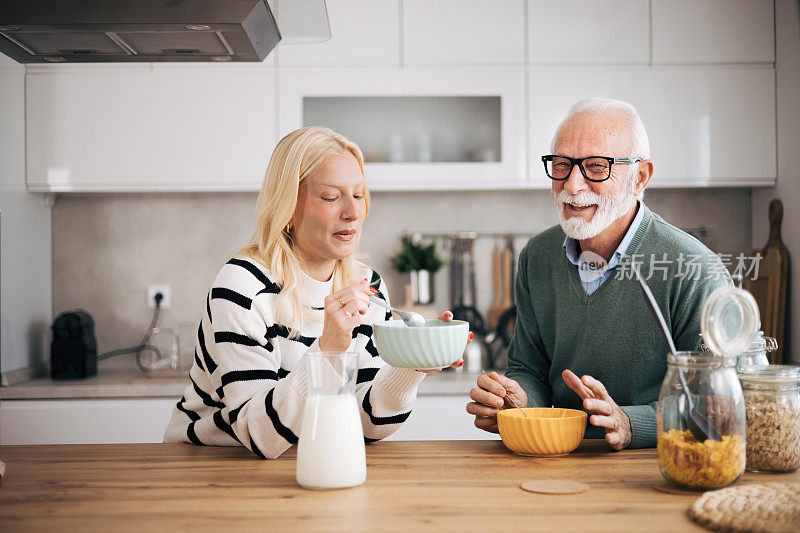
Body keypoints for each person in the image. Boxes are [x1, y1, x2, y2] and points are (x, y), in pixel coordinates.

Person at [165, 126, 462, 458]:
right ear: (289, 207)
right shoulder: (242, 286)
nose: (352, 212)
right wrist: (328, 350)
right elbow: (258, 434)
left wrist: (413, 363)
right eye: (331, 197)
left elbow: (367, 424)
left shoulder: (367, 287)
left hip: (310, 459)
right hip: (209, 464)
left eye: (359, 194)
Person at [467, 98, 731, 450]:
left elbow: (720, 403)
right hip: (554, 459)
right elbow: (529, 370)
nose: (572, 185)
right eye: (561, 165)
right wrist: (518, 403)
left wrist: (631, 422)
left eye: (596, 166)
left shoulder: (695, 269)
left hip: (654, 470)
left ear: (640, 177)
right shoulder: (537, 257)